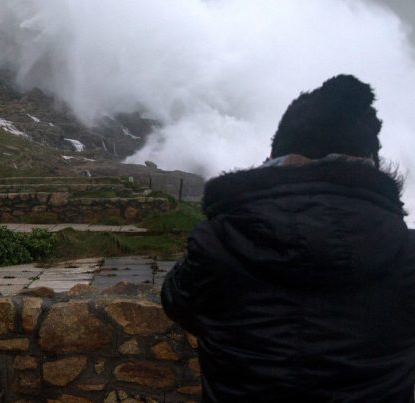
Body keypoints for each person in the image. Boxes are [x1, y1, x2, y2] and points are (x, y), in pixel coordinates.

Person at [162, 74, 415, 402]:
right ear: (369, 166)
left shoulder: (216, 244)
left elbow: (176, 302)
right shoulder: (406, 254)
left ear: (274, 160)